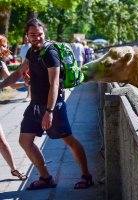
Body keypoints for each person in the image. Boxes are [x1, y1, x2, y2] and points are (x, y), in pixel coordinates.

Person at [0, 18, 93, 190]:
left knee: (69, 140)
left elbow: (55, 84)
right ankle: (45, 178)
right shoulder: (31, 52)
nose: (37, 37)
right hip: (35, 105)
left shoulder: (50, 53)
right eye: (32, 34)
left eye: (39, 34)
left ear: (44, 33)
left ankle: (87, 176)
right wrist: (1, 85)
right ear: (27, 36)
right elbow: (19, 72)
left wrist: (49, 111)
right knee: (25, 141)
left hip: (52, 106)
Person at [0, 35, 27, 181]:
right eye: (3, 45)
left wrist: (25, 84)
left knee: (2, 142)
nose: (6, 48)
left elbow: (11, 83)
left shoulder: (0, 64)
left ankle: (14, 169)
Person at [19, 35, 31, 102]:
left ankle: (29, 95)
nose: (26, 40)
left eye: (27, 39)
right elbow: (21, 57)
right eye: (25, 39)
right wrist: (21, 66)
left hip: (30, 66)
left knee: (29, 80)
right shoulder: (22, 47)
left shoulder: (31, 46)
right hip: (24, 66)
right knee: (26, 80)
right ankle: (30, 95)